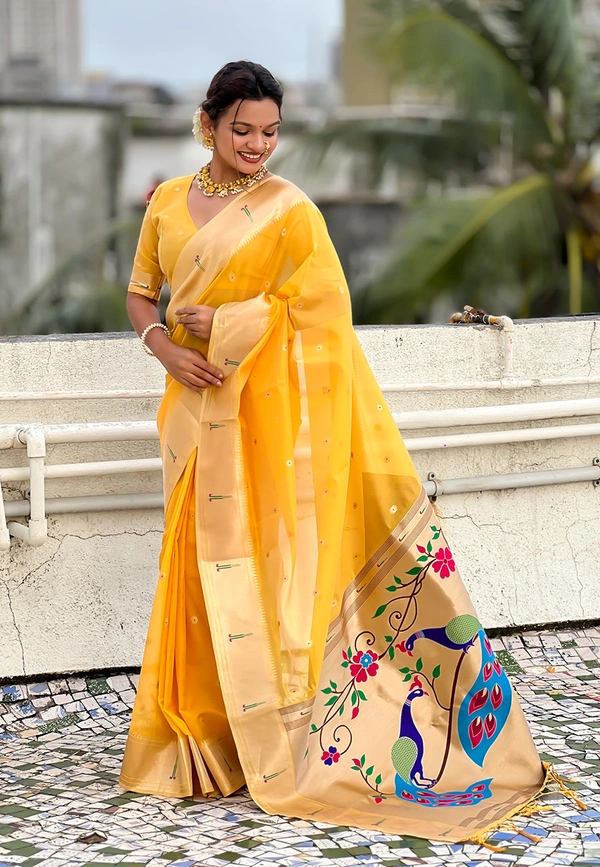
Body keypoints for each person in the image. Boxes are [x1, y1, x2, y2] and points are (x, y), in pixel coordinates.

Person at [119, 60, 549, 844]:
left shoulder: (290, 211)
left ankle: (279, 736)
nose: (257, 145)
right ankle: (204, 737)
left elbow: (324, 312)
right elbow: (141, 290)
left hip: (267, 424)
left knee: (269, 570)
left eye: (270, 131)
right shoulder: (168, 203)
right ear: (208, 124)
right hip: (192, 412)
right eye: (242, 129)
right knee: (193, 570)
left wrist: (237, 323)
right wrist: (164, 347)